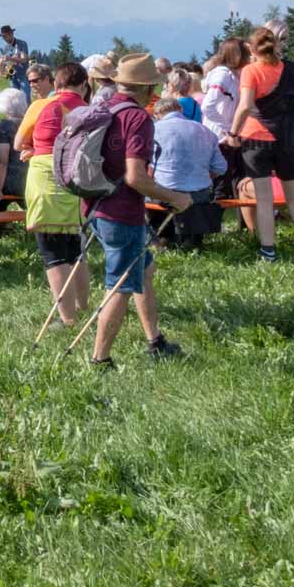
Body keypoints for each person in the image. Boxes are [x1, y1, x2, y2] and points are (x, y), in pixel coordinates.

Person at [85, 54, 193, 369]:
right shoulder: (138, 118)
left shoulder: (104, 107)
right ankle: (100, 359)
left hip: (94, 203)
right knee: (119, 284)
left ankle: (154, 339)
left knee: (143, 269)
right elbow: (135, 177)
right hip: (121, 211)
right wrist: (175, 197)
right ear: (147, 89)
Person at [222, 25, 294, 262]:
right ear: (276, 45)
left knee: (265, 200)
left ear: (251, 49)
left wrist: (233, 133)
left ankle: (269, 251)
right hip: (287, 138)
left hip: (257, 138)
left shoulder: (251, 70)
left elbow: (246, 105)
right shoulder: (293, 69)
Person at [18, 60, 90, 325]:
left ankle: (67, 318)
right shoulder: (89, 109)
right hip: (76, 178)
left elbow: (18, 142)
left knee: (53, 253)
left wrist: (34, 148)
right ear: (84, 85)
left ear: (56, 83)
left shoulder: (40, 106)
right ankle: (83, 307)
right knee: (75, 248)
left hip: (46, 177)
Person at [149, 95, 226, 249]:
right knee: (199, 192)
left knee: (145, 191)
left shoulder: (153, 130)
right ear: (181, 110)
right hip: (199, 194)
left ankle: (160, 239)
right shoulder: (205, 130)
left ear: (156, 115)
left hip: (165, 194)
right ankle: (192, 239)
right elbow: (221, 167)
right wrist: (200, 175)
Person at [200, 38, 246, 141]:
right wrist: (229, 128)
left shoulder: (236, 75)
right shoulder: (222, 75)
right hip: (218, 138)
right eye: (247, 52)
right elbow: (207, 106)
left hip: (228, 137)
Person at [0, 87, 29, 201]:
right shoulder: (30, 122)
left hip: (10, 181)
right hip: (29, 180)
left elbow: (2, 162)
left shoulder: (5, 126)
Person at [0, 25, 30, 96]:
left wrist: (10, 58)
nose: (4, 39)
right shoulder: (6, 47)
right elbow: (1, 61)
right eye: (3, 37)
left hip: (23, 75)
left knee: (26, 99)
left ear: (11, 34)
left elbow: (24, 60)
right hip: (12, 77)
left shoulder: (22, 44)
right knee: (14, 99)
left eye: (5, 36)